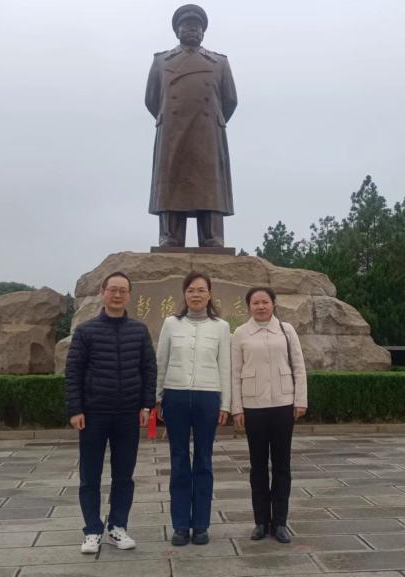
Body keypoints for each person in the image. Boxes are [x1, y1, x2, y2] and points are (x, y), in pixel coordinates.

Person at [64, 272, 157, 554]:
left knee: (124, 475)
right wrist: (75, 409)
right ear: (103, 292)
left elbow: (149, 369)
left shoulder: (139, 331)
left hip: (128, 414)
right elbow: (73, 372)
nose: (117, 295)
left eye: (123, 291)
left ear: (129, 295)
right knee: (90, 476)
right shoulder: (86, 331)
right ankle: (92, 530)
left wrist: (146, 405)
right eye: (112, 289)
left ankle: (118, 526)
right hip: (94, 414)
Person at [145, 4, 238, 248]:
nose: (193, 30)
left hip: (207, 133)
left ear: (203, 32)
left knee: (209, 184)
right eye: (187, 25)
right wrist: (171, 120)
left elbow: (229, 100)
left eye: (197, 26)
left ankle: (211, 236)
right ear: (177, 31)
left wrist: (211, 122)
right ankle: (171, 236)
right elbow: (152, 100)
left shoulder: (219, 62)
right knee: (172, 182)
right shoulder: (161, 61)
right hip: (172, 133)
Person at [155, 271, 231, 545]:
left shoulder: (221, 326)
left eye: (201, 290)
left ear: (209, 294)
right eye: (191, 290)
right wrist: (158, 397)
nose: (196, 295)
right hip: (175, 396)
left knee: (203, 460)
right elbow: (161, 361)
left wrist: (226, 404)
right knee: (178, 460)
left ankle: (200, 525)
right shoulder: (171, 323)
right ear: (184, 294)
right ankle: (180, 526)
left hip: (207, 397)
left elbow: (225, 366)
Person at [230, 287, 308, 544]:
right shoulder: (240, 333)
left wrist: (300, 400)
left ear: (273, 304)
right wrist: (237, 408)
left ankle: (280, 522)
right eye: (255, 303)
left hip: (283, 404)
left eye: (265, 302)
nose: (261, 307)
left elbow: (299, 367)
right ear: (248, 306)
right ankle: (261, 522)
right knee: (258, 466)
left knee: (282, 464)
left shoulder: (286, 330)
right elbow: (235, 373)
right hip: (254, 406)